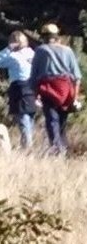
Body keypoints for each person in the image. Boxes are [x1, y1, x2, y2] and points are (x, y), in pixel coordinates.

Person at [32, 22, 81, 154]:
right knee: (63, 122)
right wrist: (75, 97)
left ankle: (56, 148)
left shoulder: (41, 50)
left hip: (48, 89)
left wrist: (35, 94)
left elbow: (34, 75)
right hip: (66, 90)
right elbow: (77, 76)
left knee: (52, 120)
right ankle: (63, 148)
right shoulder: (68, 50)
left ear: (44, 37)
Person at [0, 28, 38, 149]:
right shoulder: (32, 54)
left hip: (19, 87)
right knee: (30, 116)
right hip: (32, 87)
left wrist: (8, 49)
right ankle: (29, 142)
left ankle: (27, 146)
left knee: (22, 117)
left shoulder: (13, 57)